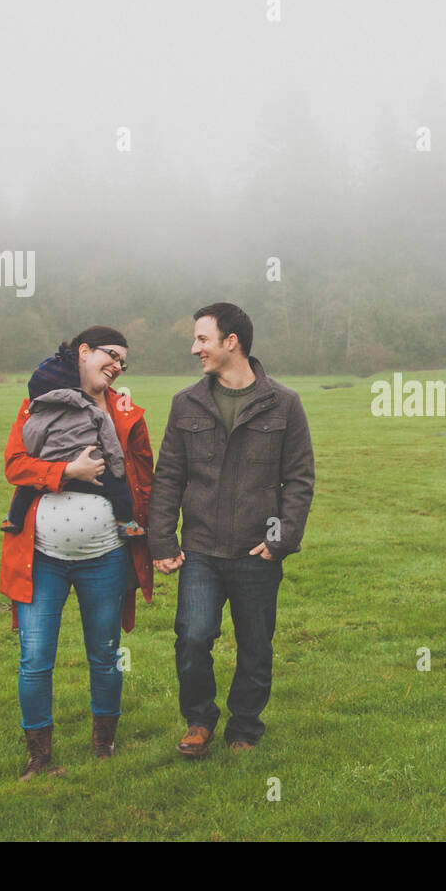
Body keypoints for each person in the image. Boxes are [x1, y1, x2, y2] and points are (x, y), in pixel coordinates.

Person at [147, 303, 314, 757]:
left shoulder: (285, 403)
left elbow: (297, 480)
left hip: (257, 551)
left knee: (256, 645)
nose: (194, 347)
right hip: (200, 549)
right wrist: (162, 540)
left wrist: (280, 540)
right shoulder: (186, 403)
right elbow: (169, 477)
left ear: (231, 341)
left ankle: (244, 729)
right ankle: (199, 721)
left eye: (202, 339)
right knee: (194, 636)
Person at [0, 327, 154, 780]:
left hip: (105, 558)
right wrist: (69, 470)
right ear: (84, 352)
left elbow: (145, 478)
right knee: (34, 657)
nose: (118, 365)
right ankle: (39, 758)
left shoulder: (125, 413)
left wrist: (156, 538)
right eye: (112, 355)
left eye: (124, 361)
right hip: (41, 558)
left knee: (105, 654)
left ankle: (104, 748)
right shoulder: (38, 402)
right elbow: (15, 465)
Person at [0, 343, 145, 537]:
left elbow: (31, 440)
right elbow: (110, 443)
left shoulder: (39, 415)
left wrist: (41, 459)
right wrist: (117, 470)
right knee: (119, 490)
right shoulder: (92, 410)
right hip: (96, 472)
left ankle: (13, 519)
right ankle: (125, 523)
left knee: (26, 489)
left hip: (51, 467)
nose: (118, 366)